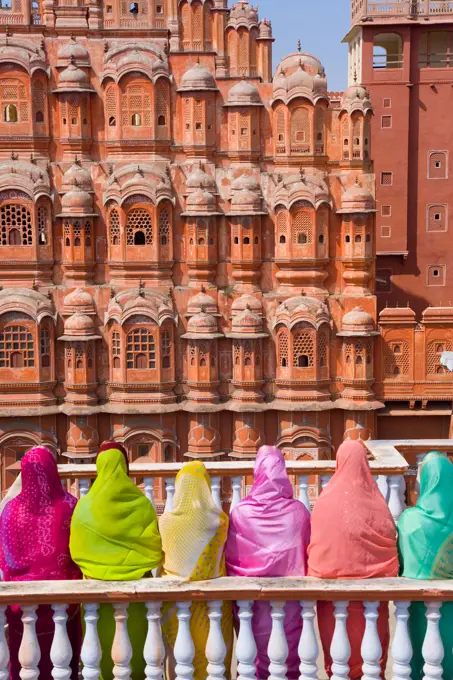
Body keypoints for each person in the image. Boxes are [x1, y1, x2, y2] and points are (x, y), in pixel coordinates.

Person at [70, 441, 162, 680]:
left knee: (99, 662)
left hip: (96, 602)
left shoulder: (84, 508)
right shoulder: (142, 504)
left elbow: (76, 551)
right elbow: (154, 551)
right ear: (126, 468)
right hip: (137, 602)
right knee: (139, 662)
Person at [307, 440, 399, 679]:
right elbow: (390, 551)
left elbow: (316, 556)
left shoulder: (325, 502)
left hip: (332, 600)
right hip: (372, 601)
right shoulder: (378, 504)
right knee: (371, 659)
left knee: (338, 663)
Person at [225, 445, 311, 680]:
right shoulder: (299, 512)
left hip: (251, 606)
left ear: (257, 473)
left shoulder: (241, 513)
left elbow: (230, 560)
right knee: (289, 661)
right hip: (291, 606)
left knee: (253, 662)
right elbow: (308, 555)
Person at [0, 446, 82, 680]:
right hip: (63, 605)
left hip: (22, 606)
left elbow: (4, 559)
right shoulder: (70, 507)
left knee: (26, 666)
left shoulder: (10, 511)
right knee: (62, 667)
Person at [159, 461, 233, 680]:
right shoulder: (220, 522)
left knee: (180, 662)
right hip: (214, 609)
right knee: (215, 664)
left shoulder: (166, 522)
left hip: (175, 607)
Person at [398, 451, 453, 679]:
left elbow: (399, 564)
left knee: (418, 657)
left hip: (418, 605)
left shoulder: (408, 521)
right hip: (449, 607)